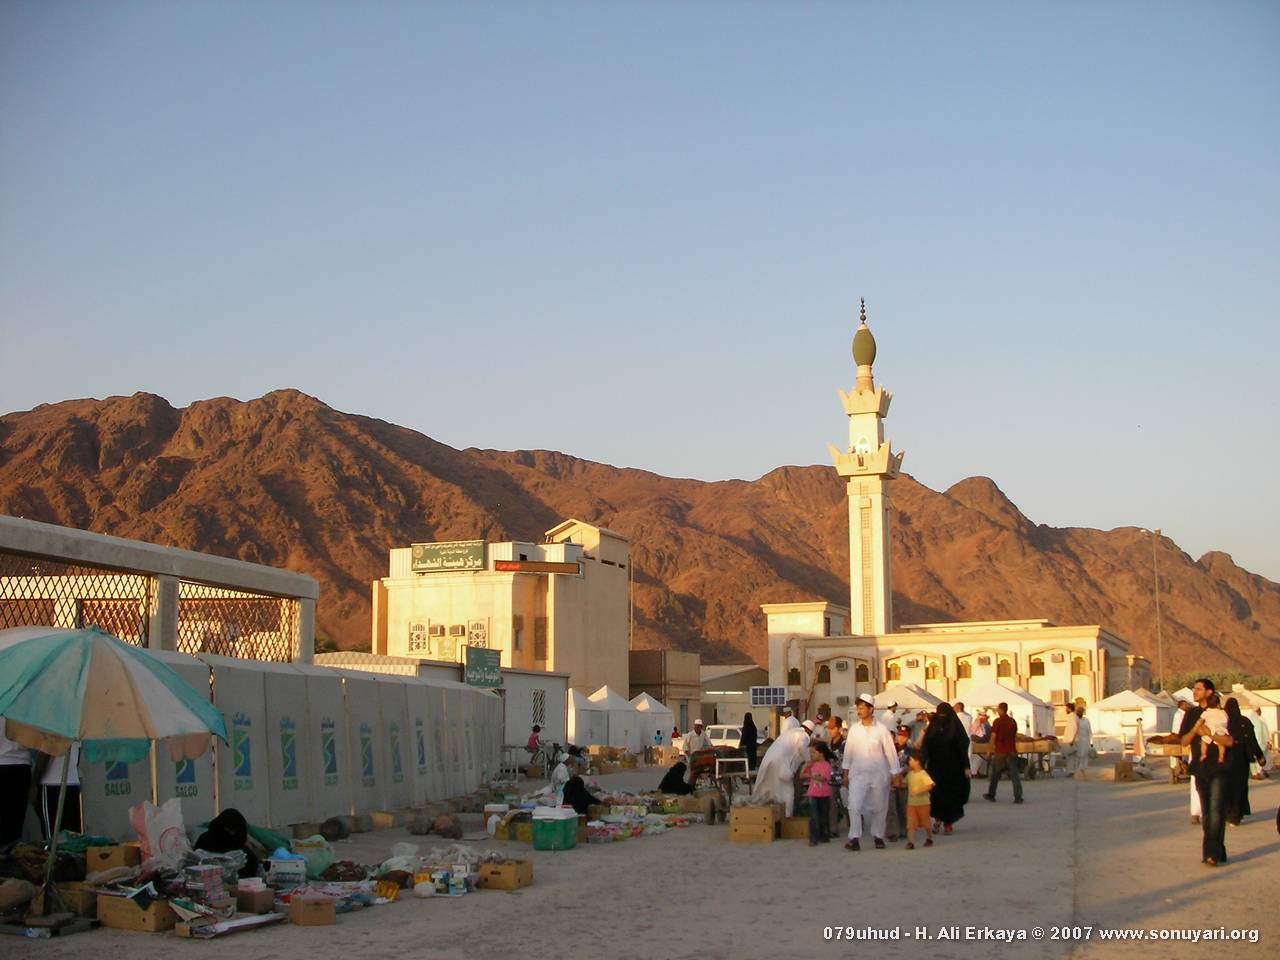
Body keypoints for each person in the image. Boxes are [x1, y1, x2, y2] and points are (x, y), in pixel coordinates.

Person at [1179, 678, 1235, 867]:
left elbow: (1229, 742)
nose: (1194, 692)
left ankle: (1211, 853)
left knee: (1216, 810)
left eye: (1198, 689)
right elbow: (1184, 742)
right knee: (1207, 812)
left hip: (1220, 767)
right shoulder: (1191, 714)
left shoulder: (1223, 714)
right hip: (1200, 768)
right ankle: (1218, 850)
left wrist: (1209, 734)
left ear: (1209, 692)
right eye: (1193, 688)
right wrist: (1196, 729)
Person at [840, 694, 901, 851]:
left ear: (870, 709)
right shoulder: (854, 729)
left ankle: (878, 836)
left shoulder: (881, 730)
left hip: (879, 774)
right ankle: (854, 838)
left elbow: (890, 752)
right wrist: (845, 774)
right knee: (853, 805)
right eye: (858, 708)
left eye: (862, 708)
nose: (859, 711)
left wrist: (895, 774)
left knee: (880, 806)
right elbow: (848, 752)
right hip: (858, 774)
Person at [922, 701, 970, 834]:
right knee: (936, 795)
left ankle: (948, 823)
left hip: (953, 768)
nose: (942, 717)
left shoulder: (955, 728)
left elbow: (963, 746)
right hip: (935, 768)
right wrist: (921, 764)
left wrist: (966, 766)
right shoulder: (933, 727)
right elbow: (926, 745)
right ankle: (937, 820)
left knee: (950, 796)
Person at [754, 715, 811, 816]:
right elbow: (802, 748)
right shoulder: (803, 735)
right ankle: (787, 818)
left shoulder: (786, 735)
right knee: (787, 793)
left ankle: (761, 814)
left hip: (769, 761)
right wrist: (810, 761)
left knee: (768, 790)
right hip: (781, 766)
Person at [1224, 698, 1263, 826]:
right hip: (1242, 759)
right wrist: (1259, 756)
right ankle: (1237, 814)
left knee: (1228, 787)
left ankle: (1230, 814)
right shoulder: (1245, 721)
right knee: (1240, 786)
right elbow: (1252, 740)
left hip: (1226, 758)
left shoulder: (1225, 722)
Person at [194, 808, 260, 878]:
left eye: (235, 830)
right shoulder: (206, 840)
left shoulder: (240, 846)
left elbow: (251, 866)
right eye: (229, 829)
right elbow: (195, 862)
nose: (232, 833)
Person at [34, 743, 82, 838]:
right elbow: (78, 755)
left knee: (52, 836)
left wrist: (34, 783)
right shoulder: (76, 728)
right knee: (72, 834)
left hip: (51, 782)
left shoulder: (52, 729)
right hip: (72, 781)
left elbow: (46, 751)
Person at [0, 719, 33, 845]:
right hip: (20, 766)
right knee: (13, 823)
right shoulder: (23, 710)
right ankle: (9, 855)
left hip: (7, 764)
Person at [983, 702, 1024, 804]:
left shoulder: (997, 721)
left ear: (1000, 710)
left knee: (995, 774)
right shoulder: (1012, 721)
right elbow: (1014, 736)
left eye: (998, 709)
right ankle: (1018, 797)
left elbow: (993, 737)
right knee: (1015, 775)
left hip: (1001, 751)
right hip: (1012, 750)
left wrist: (989, 751)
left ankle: (991, 794)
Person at [800, 742, 834, 846]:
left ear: (821, 753)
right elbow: (801, 776)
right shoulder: (812, 765)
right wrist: (805, 766)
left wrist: (810, 775)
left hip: (824, 794)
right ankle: (813, 837)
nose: (812, 755)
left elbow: (823, 778)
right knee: (814, 816)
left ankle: (824, 835)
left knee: (823, 816)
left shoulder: (827, 765)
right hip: (813, 793)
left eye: (814, 752)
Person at [903, 750, 935, 850]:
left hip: (923, 803)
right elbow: (904, 784)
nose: (909, 762)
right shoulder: (909, 774)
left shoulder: (923, 773)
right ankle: (911, 842)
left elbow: (930, 785)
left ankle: (929, 837)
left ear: (917, 761)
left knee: (926, 823)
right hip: (911, 804)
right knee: (911, 824)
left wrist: (918, 791)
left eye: (911, 760)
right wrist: (897, 783)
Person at [885, 726, 910, 841]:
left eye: (904, 736)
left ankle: (903, 830)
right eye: (900, 735)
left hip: (903, 781)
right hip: (890, 781)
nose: (901, 738)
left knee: (903, 807)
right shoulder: (891, 749)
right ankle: (891, 832)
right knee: (891, 808)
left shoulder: (910, 750)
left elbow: (911, 765)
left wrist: (900, 774)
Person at [1063, 703, 1093, 777]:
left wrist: (1091, 742)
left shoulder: (1085, 720)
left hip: (1083, 741)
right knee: (1075, 756)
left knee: (1083, 756)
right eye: (1078, 711)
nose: (1079, 713)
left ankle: (1081, 771)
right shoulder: (1074, 718)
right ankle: (1074, 772)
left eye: (1080, 711)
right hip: (1077, 741)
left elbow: (1089, 731)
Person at [1198, 695, 1229, 766]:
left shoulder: (1206, 712)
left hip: (1210, 730)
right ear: (1218, 704)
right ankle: (1221, 756)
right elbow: (1227, 719)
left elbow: (1200, 720)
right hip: (1221, 729)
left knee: (1204, 741)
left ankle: (1203, 754)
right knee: (1221, 744)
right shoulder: (1223, 712)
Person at [1248, 708, 1270, 779]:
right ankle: (1256, 773)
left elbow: (1265, 731)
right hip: (1255, 743)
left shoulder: (1261, 720)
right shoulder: (1254, 721)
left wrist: (1268, 741)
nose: (1260, 712)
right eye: (1258, 711)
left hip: (1261, 743)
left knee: (1261, 757)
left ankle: (1260, 771)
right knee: (1255, 758)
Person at [969, 709, 992, 777]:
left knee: (980, 759)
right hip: (977, 743)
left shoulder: (984, 723)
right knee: (977, 758)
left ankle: (979, 772)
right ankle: (974, 772)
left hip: (981, 742)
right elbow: (973, 733)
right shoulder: (978, 722)